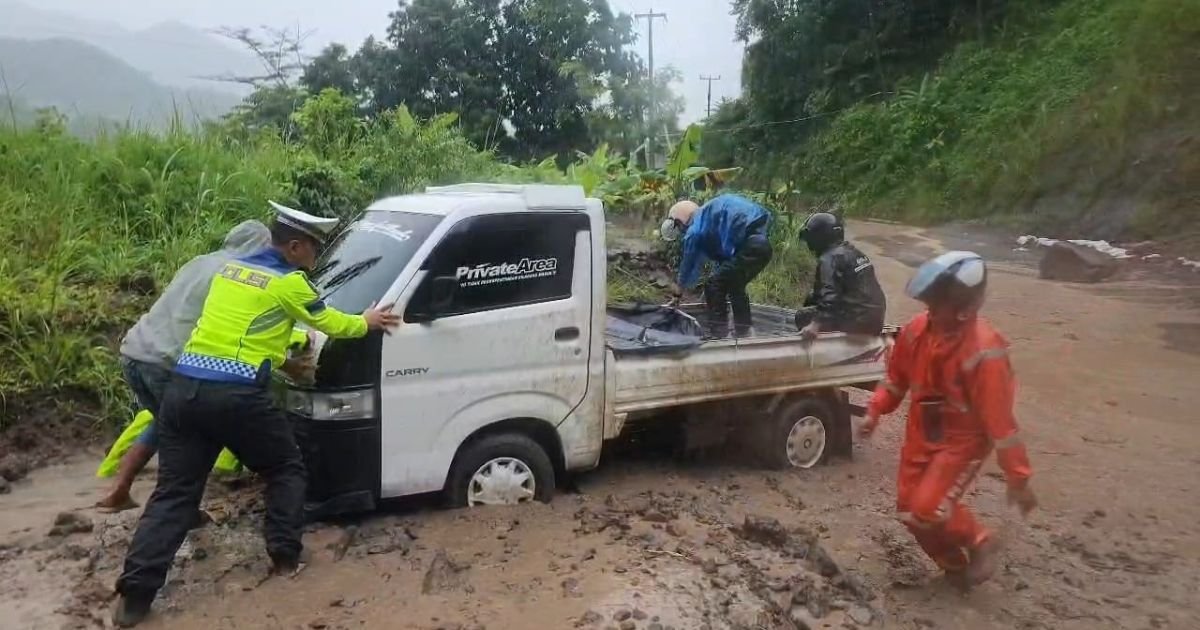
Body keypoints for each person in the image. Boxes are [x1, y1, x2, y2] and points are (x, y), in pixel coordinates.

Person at [111, 202, 401, 627]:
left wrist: (289, 348)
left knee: (174, 493)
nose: (317, 258)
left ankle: (134, 597)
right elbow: (335, 324)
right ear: (295, 247)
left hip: (183, 390)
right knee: (285, 467)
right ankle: (285, 557)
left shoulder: (231, 273)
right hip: (235, 396)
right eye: (315, 250)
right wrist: (368, 320)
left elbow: (253, 327)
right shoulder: (290, 283)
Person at [860, 251, 1037, 590]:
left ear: (963, 309)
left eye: (935, 305)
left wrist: (1018, 476)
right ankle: (953, 566)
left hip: (962, 439)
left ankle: (981, 541)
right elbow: (896, 379)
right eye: (927, 303)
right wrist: (875, 409)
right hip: (922, 430)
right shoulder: (916, 331)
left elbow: (1001, 424)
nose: (928, 310)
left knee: (927, 508)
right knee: (907, 512)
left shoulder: (985, 352)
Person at [96, 220, 271, 512]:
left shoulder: (200, 262)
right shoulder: (234, 276)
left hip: (135, 353)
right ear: (258, 248)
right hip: (167, 363)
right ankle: (176, 511)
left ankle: (119, 489)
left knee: (162, 423)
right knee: (192, 438)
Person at [659, 194, 773, 338]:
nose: (682, 231)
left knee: (713, 285)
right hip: (761, 247)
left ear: (680, 221)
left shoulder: (695, 228)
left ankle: (720, 335)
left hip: (751, 247)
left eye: (679, 227)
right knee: (734, 285)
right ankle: (745, 332)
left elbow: (688, 263)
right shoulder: (708, 219)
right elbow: (724, 261)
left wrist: (678, 292)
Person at [794, 212, 887, 339]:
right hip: (875, 320)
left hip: (857, 322)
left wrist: (815, 325)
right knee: (812, 297)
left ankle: (819, 349)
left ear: (818, 237)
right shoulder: (854, 252)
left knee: (802, 316)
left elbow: (829, 296)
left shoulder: (829, 258)